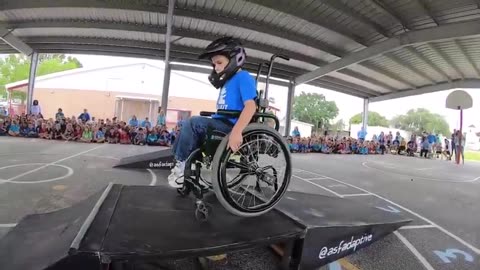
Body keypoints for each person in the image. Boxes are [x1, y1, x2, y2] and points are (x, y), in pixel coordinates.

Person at [168, 36, 257, 188]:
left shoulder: (243, 77)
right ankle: (180, 163)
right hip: (220, 122)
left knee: (192, 122)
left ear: (235, 59)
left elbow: (251, 107)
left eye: (219, 62)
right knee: (186, 125)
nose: (215, 67)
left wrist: (237, 132)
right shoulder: (227, 81)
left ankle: (181, 168)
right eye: (214, 63)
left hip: (230, 126)